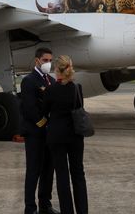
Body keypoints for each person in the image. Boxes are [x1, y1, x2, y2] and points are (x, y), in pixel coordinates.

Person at [41, 55, 88, 214]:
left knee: (62, 176)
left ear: (57, 70)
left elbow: (44, 111)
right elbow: (79, 108)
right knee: (78, 174)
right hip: (75, 135)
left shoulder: (50, 89)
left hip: (57, 136)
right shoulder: (76, 88)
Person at [20, 47, 59, 214]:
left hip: (49, 134)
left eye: (50, 61)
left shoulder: (50, 80)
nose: (48, 64)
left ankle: (45, 204)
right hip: (35, 133)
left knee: (48, 170)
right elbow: (29, 108)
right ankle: (30, 208)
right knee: (34, 170)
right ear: (37, 61)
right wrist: (44, 123)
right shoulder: (29, 80)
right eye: (45, 60)